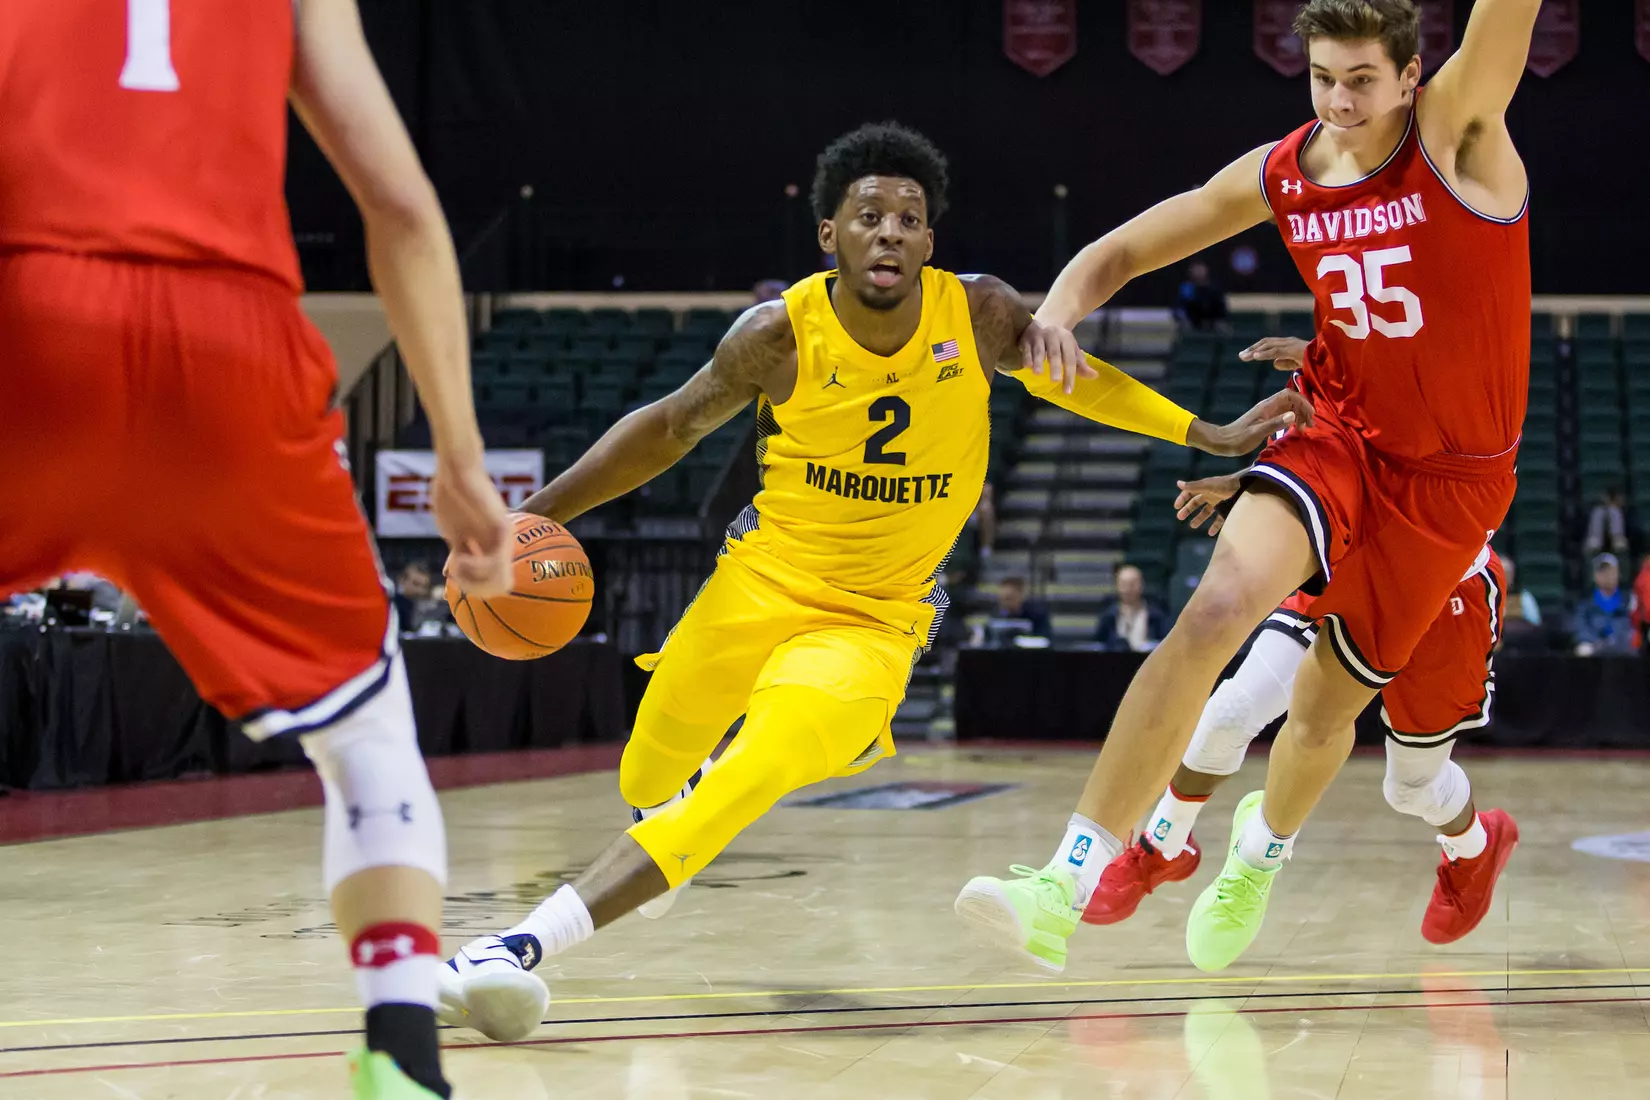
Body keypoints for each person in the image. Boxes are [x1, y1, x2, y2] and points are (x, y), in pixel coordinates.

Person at [436, 122, 1309, 1042]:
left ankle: (513, 951)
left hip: (875, 623)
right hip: (759, 580)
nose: (889, 231)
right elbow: (665, 430)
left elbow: (1074, 378)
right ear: (830, 236)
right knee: (650, 768)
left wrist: (1200, 434)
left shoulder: (976, 313)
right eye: (869, 216)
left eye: (909, 218)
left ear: (930, 241)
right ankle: (662, 834)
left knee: (748, 774)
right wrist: (528, 517)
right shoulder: (775, 335)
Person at [959, 0, 1537, 973]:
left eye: (1361, 79)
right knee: (1214, 608)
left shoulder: (1457, 134)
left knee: (1319, 716)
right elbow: (1123, 250)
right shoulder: (1286, 172)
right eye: (1322, 78)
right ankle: (1062, 875)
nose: (1340, 102)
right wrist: (1054, 313)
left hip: (1449, 485)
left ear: (1410, 76)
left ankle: (1259, 857)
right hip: (1337, 430)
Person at [0, 3, 513, 1097]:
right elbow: (403, 208)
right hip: (223, 342)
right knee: (369, 730)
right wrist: (461, 461)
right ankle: (403, 1049)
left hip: (33, 309)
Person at [1087, 470, 1516, 955]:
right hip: (1350, 557)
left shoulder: (1479, 402)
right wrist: (1256, 483)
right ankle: (1164, 846)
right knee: (1230, 711)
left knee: (1412, 788)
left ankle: (1476, 848)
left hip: (1443, 586)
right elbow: (1313, 428)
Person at [1095, 564, 1170, 652]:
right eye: (1123, 584)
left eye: (1132, 584)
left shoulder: (1156, 615)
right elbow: (1100, 644)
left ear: (1142, 584)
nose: (1128, 589)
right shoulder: (1108, 616)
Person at [1574, 553, 1636, 656]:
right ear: (1595, 576)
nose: (1607, 575)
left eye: (1610, 571)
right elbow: (1581, 629)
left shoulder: (1628, 600)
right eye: (1602, 571)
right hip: (1595, 647)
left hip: (1622, 647)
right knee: (1583, 650)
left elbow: (1632, 626)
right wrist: (1598, 643)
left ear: (1618, 574)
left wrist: (1614, 641)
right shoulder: (1586, 604)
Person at [1175, 260, 1229, 331]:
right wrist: (1184, 318)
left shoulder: (1214, 288)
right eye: (1195, 269)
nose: (1198, 271)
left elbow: (1221, 307)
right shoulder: (1186, 288)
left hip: (1213, 321)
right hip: (1192, 322)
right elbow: (1179, 307)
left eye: (1200, 268)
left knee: (1223, 327)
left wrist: (1219, 319)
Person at [1583, 488, 1629, 558]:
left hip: (1614, 542)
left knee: (1620, 544)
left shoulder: (1616, 511)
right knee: (1593, 544)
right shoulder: (1597, 511)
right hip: (1597, 541)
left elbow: (1618, 532)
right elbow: (1593, 531)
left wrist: (1615, 539)